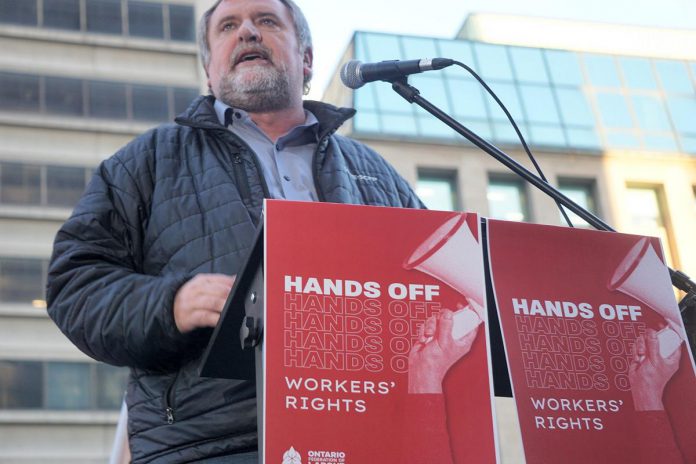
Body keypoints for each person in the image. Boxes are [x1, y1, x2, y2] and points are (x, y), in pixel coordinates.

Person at [46, 0, 423, 462]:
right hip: (210, 446)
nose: (247, 32)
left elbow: (435, 291)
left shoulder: (376, 174)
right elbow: (73, 286)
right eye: (228, 26)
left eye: (266, 21)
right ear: (209, 68)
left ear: (306, 58)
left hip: (370, 437)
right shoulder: (145, 161)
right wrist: (171, 304)